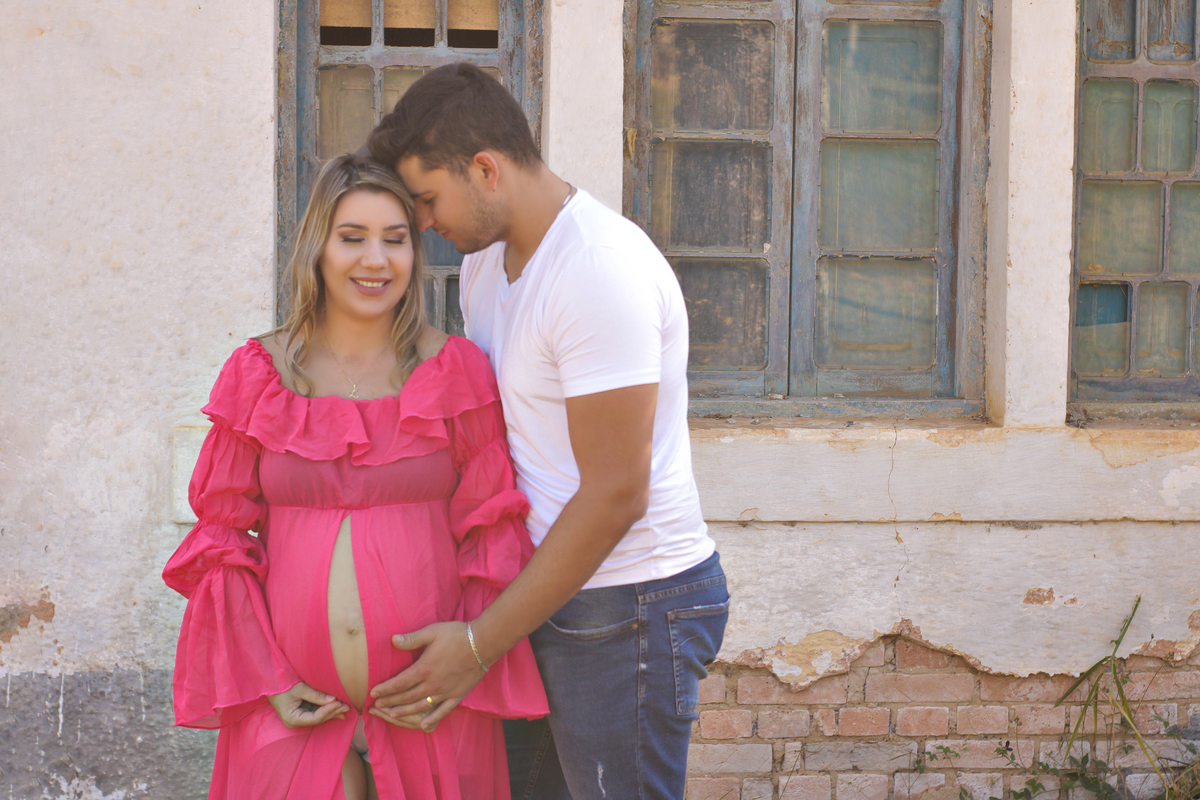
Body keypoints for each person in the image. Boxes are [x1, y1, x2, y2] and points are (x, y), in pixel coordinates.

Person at [366, 63, 730, 799]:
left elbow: (616, 493)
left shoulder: (597, 270)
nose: (426, 224)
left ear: (485, 168)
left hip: (630, 603)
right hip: (544, 593)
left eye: (429, 200)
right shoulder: (486, 267)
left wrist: (477, 644)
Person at [162, 153, 548, 800]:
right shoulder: (257, 374)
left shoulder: (457, 371)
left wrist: (466, 660)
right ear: (318, 247)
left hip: (430, 703)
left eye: (395, 240)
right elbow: (221, 542)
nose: (376, 259)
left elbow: (492, 535)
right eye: (353, 238)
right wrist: (269, 678)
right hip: (289, 706)